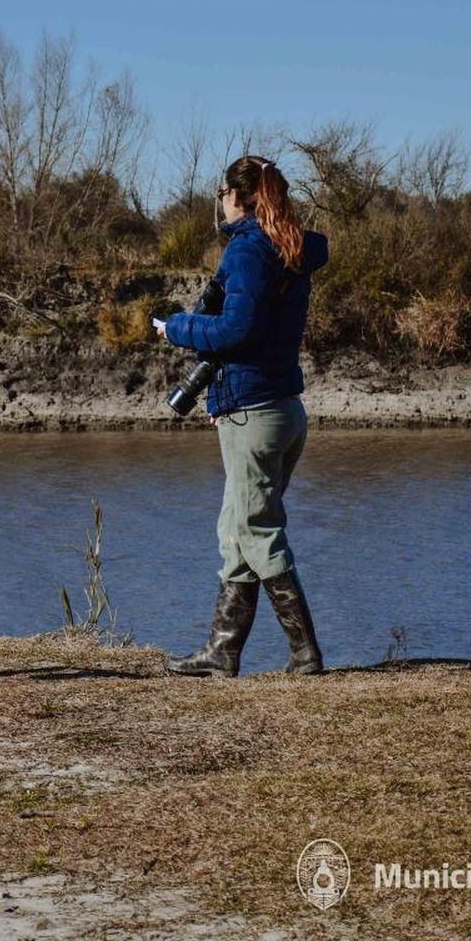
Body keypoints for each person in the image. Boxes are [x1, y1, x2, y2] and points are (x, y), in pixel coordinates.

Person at [157, 156, 330, 678]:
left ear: (238, 196)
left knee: (256, 529)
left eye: (222, 192)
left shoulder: (250, 250)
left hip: (255, 411)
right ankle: (222, 651)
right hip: (275, 407)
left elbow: (235, 331)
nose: (220, 202)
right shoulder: (290, 247)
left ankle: (305, 654)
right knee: (236, 528)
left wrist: (177, 328)